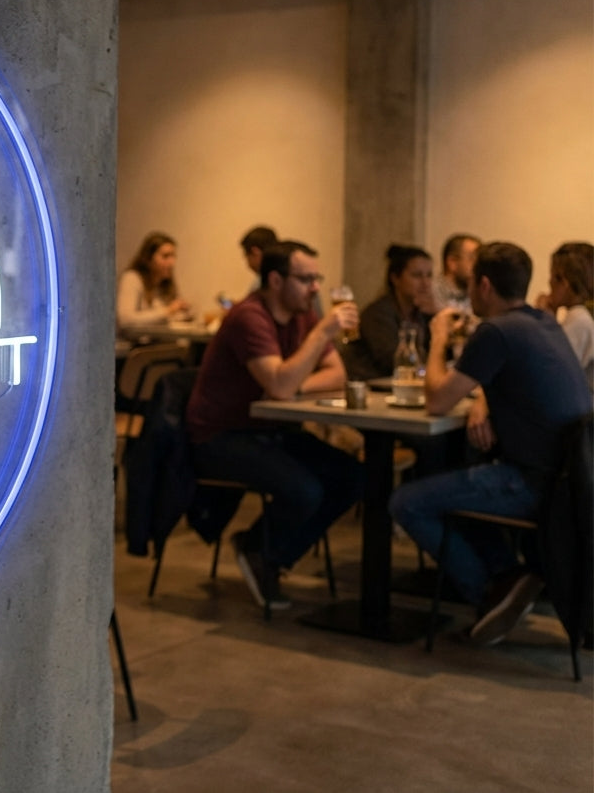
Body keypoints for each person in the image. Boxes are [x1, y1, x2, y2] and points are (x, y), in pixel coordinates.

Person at [390, 242, 592, 646]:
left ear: (483, 285)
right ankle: (511, 578)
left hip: (532, 483)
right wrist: (485, 398)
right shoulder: (544, 322)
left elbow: (437, 400)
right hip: (571, 482)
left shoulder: (496, 331)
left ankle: (490, 591)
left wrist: (438, 337)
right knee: (456, 483)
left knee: (405, 502)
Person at [185, 240, 363, 610]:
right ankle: (258, 550)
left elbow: (335, 375)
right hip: (220, 435)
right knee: (305, 490)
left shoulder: (301, 314)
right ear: (276, 281)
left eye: (317, 278)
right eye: (306, 279)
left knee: (354, 477)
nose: (315, 287)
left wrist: (293, 384)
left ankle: (269, 554)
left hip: (270, 429)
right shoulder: (249, 317)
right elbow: (279, 385)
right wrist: (320, 336)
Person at [343, 244, 435, 381]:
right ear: (395, 278)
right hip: (371, 385)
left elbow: (444, 357)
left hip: (404, 384)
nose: (425, 283)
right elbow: (394, 361)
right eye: (417, 276)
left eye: (429, 275)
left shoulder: (423, 313)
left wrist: (438, 316)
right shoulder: (377, 314)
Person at [535, 241, 594, 392]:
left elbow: (551, 373)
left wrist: (543, 322)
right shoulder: (582, 316)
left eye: (553, 276)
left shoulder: (579, 319)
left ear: (565, 282)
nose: (549, 282)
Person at [116, 231, 191, 335]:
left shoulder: (165, 284)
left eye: (173, 256)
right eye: (165, 256)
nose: (171, 263)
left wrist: (183, 312)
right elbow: (125, 320)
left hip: (160, 340)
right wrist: (167, 311)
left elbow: (169, 319)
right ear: (148, 258)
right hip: (135, 343)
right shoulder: (132, 278)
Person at [431, 233, 480, 314]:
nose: (478, 265)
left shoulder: (476, 293)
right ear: (452, 262)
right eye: (472, 258)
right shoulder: (431, 293)